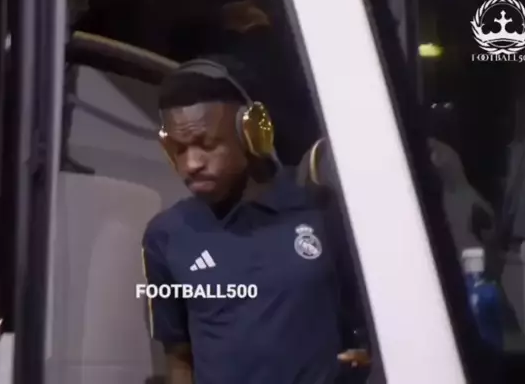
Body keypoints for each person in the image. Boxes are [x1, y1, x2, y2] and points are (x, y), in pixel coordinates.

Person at [141, 55, 369, 384]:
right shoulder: (166, 236)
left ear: (251, 133)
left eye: (207, 145)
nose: (191, 164)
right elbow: (178, 357)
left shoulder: (323, 212)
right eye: (179, 149)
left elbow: (371, 327)